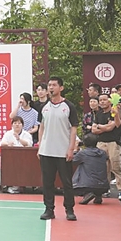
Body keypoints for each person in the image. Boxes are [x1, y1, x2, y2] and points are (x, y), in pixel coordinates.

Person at [38, 76, 78, 221]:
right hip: (46, 151)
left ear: (61, 88)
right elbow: (41, 127)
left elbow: (74, 128)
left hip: (63, 151)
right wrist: (40, 146)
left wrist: (71, 148)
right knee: (47, 182)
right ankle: (49, 209)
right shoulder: (44, 107)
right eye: (49, 85)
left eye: (54, 85)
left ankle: (69, 209)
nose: (51, 87)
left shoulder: (69, 106)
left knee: (66, 182)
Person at [91, 93, 121, 201]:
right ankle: (105, 189)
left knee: (116, 166)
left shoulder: (114, 112)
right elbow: (93, 130)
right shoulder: (98, 114)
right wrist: (103, 127)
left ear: (110, 101)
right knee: (103, 167)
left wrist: (100, 127)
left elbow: (111, 127)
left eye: (104, 100)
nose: (102, 102)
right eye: (100, 100)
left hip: (113, 143)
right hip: (101, 143)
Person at [0, 116, 33, 194]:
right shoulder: (8, 133)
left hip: (24, 157)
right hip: (11, 157)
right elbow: (2, 143)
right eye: (15, 123)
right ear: (12, 125)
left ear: (22, 125)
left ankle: (20, 185)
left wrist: (19, 139)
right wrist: (8, 144)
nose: (17, 125)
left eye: (19, 123)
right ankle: (9, 184)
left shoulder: (27, 134)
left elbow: (29, 144)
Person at [73, 133, 110, 205]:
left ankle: (87, 194)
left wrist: (75, 150)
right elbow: (106, 158)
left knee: (81, 167)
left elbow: (73, 161)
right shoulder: (103, 153)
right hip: (103, 185)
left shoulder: (83, 153)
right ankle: (98, 195)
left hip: (87, 185)